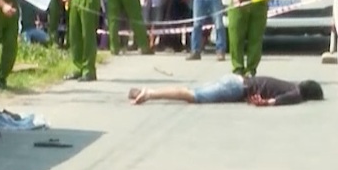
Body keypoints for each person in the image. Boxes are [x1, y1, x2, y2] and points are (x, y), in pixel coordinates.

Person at [128, 74, 323, 106]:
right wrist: (267, 102)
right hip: (236, 88)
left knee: (190, 91)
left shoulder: (290, 84)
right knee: (192, 96)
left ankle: (150, 91)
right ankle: (150, 94)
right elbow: (284, 99)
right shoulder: (297, 93)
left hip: (235, 80)